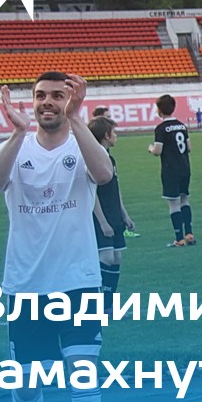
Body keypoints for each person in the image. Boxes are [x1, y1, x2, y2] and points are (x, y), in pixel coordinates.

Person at [0, 72, 113, 402]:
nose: (48, 102)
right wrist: (17, 133)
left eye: (58, 95)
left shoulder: (81, 143)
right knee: (26, 385)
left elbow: (103, 173)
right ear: (32, 102)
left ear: (70, 100)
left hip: (79, 282)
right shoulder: (13, 147)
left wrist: (77, 118)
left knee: (84, 377)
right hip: (27, 285)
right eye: (41, 96)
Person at [88, 115, 135, 310]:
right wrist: (102, 221)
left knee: (116, 258)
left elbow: (115, 189)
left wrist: (124, 214)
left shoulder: (110, 159)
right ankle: (95, 305)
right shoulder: (93, 159)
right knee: (106, 258)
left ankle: (108, 306)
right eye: (114, 132)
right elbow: (91, 193)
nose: (116, 135)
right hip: (102, 216)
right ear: (106, 135)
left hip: (114, 215)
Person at [149, 95, 195, 247]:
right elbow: (189, 148)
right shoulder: (182, 126)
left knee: (174, 204)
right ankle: (189, 234)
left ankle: (179, 238)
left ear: (159, 110)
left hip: (171, 170)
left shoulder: (161, 128)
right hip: (185, 168)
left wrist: (150, 148)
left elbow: (157, 151)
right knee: (184, 200)